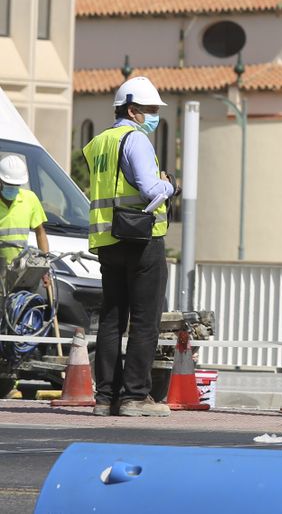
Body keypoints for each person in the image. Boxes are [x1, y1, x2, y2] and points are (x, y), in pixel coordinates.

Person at [85, 75, 175, 417]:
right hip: (141, 238)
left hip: (108, 239)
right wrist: (169, 186)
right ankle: (135, 397)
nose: (154, 116)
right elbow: (150, 189)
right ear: (133, 110)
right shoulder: (135, 140)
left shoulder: (99, 143)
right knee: (144, 319)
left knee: (112, 317)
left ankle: (105, 397)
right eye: (151, 110)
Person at [0, 153, 48, 267]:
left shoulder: (30, 199)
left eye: (16, 184)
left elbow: (40, 233)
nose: (12, 187)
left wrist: (44, 264)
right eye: (9, 184)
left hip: (20, 267)